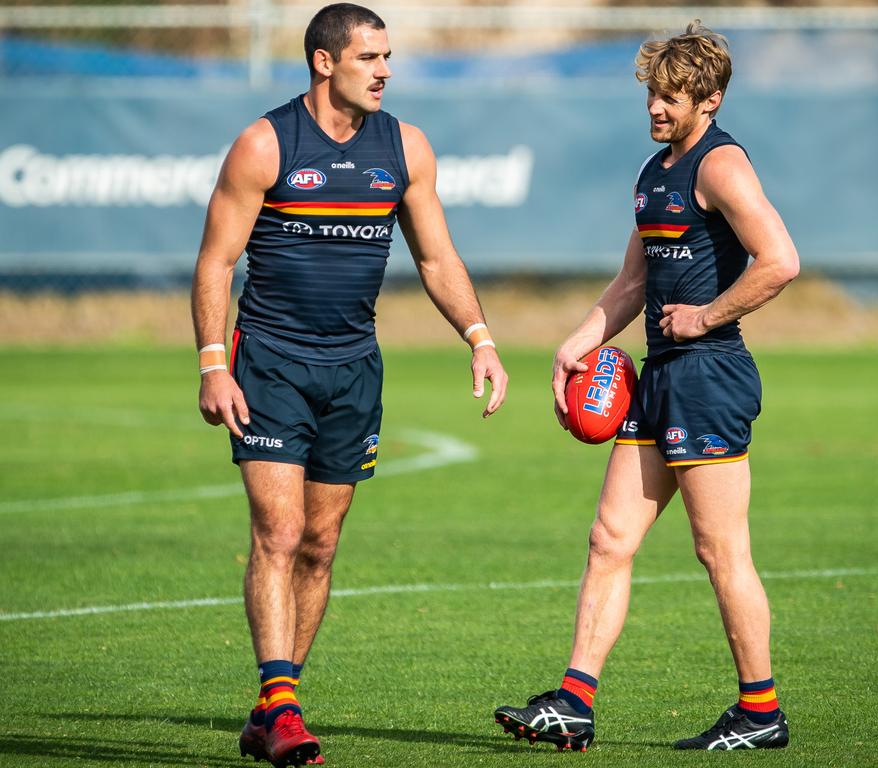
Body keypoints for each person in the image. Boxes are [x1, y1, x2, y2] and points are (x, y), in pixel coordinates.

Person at [190, 4, 508, 766]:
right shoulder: (265, 144)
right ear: (325, 63)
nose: (385, 70)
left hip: (355, 369)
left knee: (321, 546)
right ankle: (287, 708)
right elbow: (214, 262)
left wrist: (481, 338)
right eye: (370, 57)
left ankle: (273, 705)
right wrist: (212, 362)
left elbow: (436, 260)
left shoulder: (405, 148)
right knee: (279, 532)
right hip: (269, 364)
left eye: (388, 56)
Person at [494, 21, 799, 752]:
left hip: (708, 376)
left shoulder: (721, 167)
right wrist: (577, 342)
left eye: (673, 97)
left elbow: (780, 260)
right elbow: (633, 280)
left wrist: (706, 316)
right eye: (653, 94)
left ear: (711, 99)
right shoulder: (654, 171)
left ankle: (761, 712)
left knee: (719, 550)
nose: (658, 107)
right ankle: (573, 702)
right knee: (608, 539)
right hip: (659, 377)